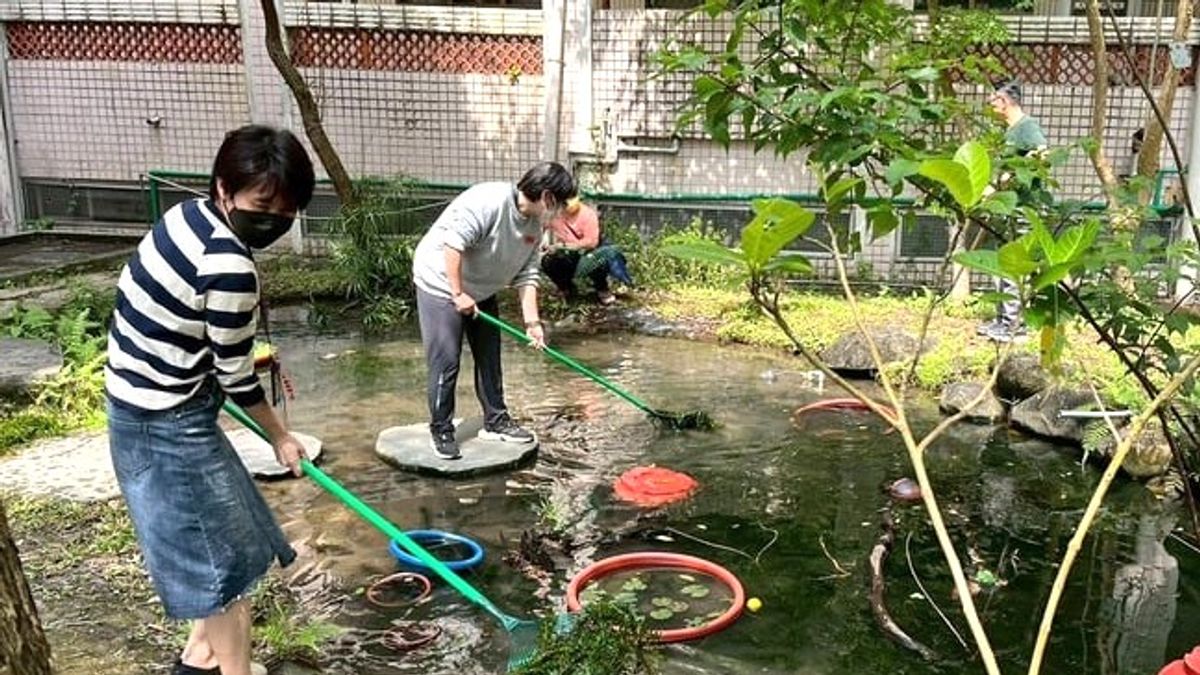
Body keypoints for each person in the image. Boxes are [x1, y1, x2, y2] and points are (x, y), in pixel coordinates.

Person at [105, 125, 314, 675]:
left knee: (233, 542)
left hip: (149, 401)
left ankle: (199, 658)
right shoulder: (229, 266)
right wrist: (281, 438)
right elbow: (238, 379)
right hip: (162, 419)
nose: (273, 219)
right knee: (223, 572)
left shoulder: (187, 214)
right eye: (263, 204)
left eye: (288, 209)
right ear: (225, 187)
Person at [412, 161, 577, 460]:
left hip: (480, 287)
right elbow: (453, 244)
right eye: (562, 203)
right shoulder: (487, 201)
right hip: (440, 281)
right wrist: (458, 293)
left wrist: (532, 323)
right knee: (446, 360)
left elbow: (527, 274)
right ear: (548, 198)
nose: (564, 210)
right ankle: (441, 428)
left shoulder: (535, 224)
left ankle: (496, 420)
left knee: (489, 354)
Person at [977, 80, 1048, 343]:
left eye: (992, 100)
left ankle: (1015, 326)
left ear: (1004, 101)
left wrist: (1011, 178)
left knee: (1015, 266)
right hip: (1008, 208)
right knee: (1003, 263)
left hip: (1022, 208)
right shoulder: (1010, 131)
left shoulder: (1027, 127)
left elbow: (1042, 153)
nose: (990, 105)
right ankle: (1003, 321)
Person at [541, 199, 633, 305]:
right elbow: (541, 227)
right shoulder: (553, 214)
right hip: (569, 254)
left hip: (589, 252)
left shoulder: (588, 215)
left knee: (597, 259)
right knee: (548, 261)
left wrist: (562, 246)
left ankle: (602, 288)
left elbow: (591, 243)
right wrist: (543, 241)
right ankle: (566, 288)